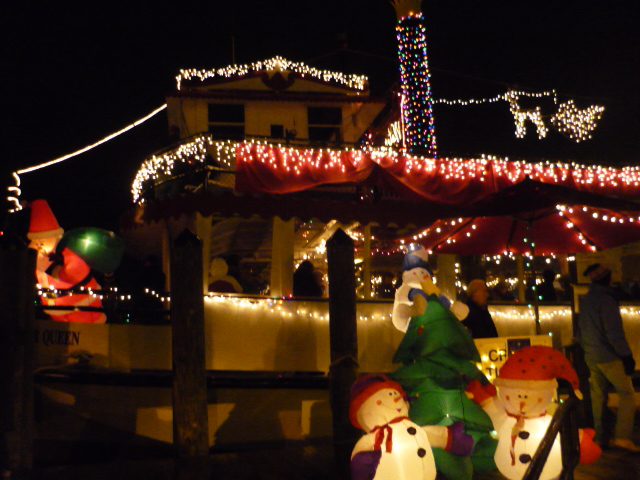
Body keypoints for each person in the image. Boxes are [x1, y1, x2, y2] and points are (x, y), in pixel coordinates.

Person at [577, 263, 639, 452]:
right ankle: (622, 437)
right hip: (609, 356)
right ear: (607, 279)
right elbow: (614, 333)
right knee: (627, 394)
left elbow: (581, 331)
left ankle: (600, 437)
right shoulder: (607, 300)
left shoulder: (586, 300)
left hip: (592, 356)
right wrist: (627, 356)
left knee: (599, 396)